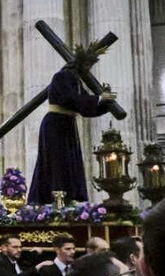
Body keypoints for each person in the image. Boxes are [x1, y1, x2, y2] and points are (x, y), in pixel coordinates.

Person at [27, 46, 117, 204]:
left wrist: (104, 104)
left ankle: (67, 197)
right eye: (87, 66)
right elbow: (69, 99)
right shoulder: (61, 77)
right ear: (80, 64)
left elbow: (85, 109)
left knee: (68, 162)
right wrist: (98, 98)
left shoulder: (76, 81)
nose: (88, 70)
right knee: (56, 162)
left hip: (66, 125)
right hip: (55, 124)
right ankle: (55, 197)